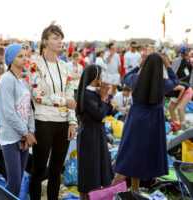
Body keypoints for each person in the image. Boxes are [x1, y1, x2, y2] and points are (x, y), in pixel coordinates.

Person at [112, 53, 179, 193]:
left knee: (132, 155)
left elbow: (124, 77)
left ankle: (134, 190)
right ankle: (132, 189)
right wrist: (167, 64)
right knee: (143, 156)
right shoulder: (162, 82)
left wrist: (139, 65)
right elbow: (175, 81)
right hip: (152, 126)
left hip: (135, 124)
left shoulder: (136, 79)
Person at [29, 24, 77, 200]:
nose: (60, 41)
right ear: (45, 41)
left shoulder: (65, 67)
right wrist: (64, 101)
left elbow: (71, 96)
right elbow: (38, 96)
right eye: (55, 38)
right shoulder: (35, 65)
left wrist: (72, 122)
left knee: (57, 170)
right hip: (44, 122)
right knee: (39, 169)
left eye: (61, 38)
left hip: (63, 123)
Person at [0, 44, 37, 197]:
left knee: (18, 181)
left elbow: (29, 109)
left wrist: (31, 131)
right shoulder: (7, 80)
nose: (25, 59)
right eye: (20, 56)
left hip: (24, 136)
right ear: (10, 60)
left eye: (25, 55)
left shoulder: (23, 81)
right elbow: (9, 113)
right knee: (13, 182)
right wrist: (26, 133)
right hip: (11, 138)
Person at [76, 65, 118, 200]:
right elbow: (100, 113)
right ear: (95, 78)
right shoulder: (85, 94)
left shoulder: (92, 92)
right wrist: (105, 99)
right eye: (101, 76)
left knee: (98, 169)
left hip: (97, 134)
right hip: (89, 135)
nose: (102, 79)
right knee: (89, 170)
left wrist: (106, 102)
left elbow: (106, 109)